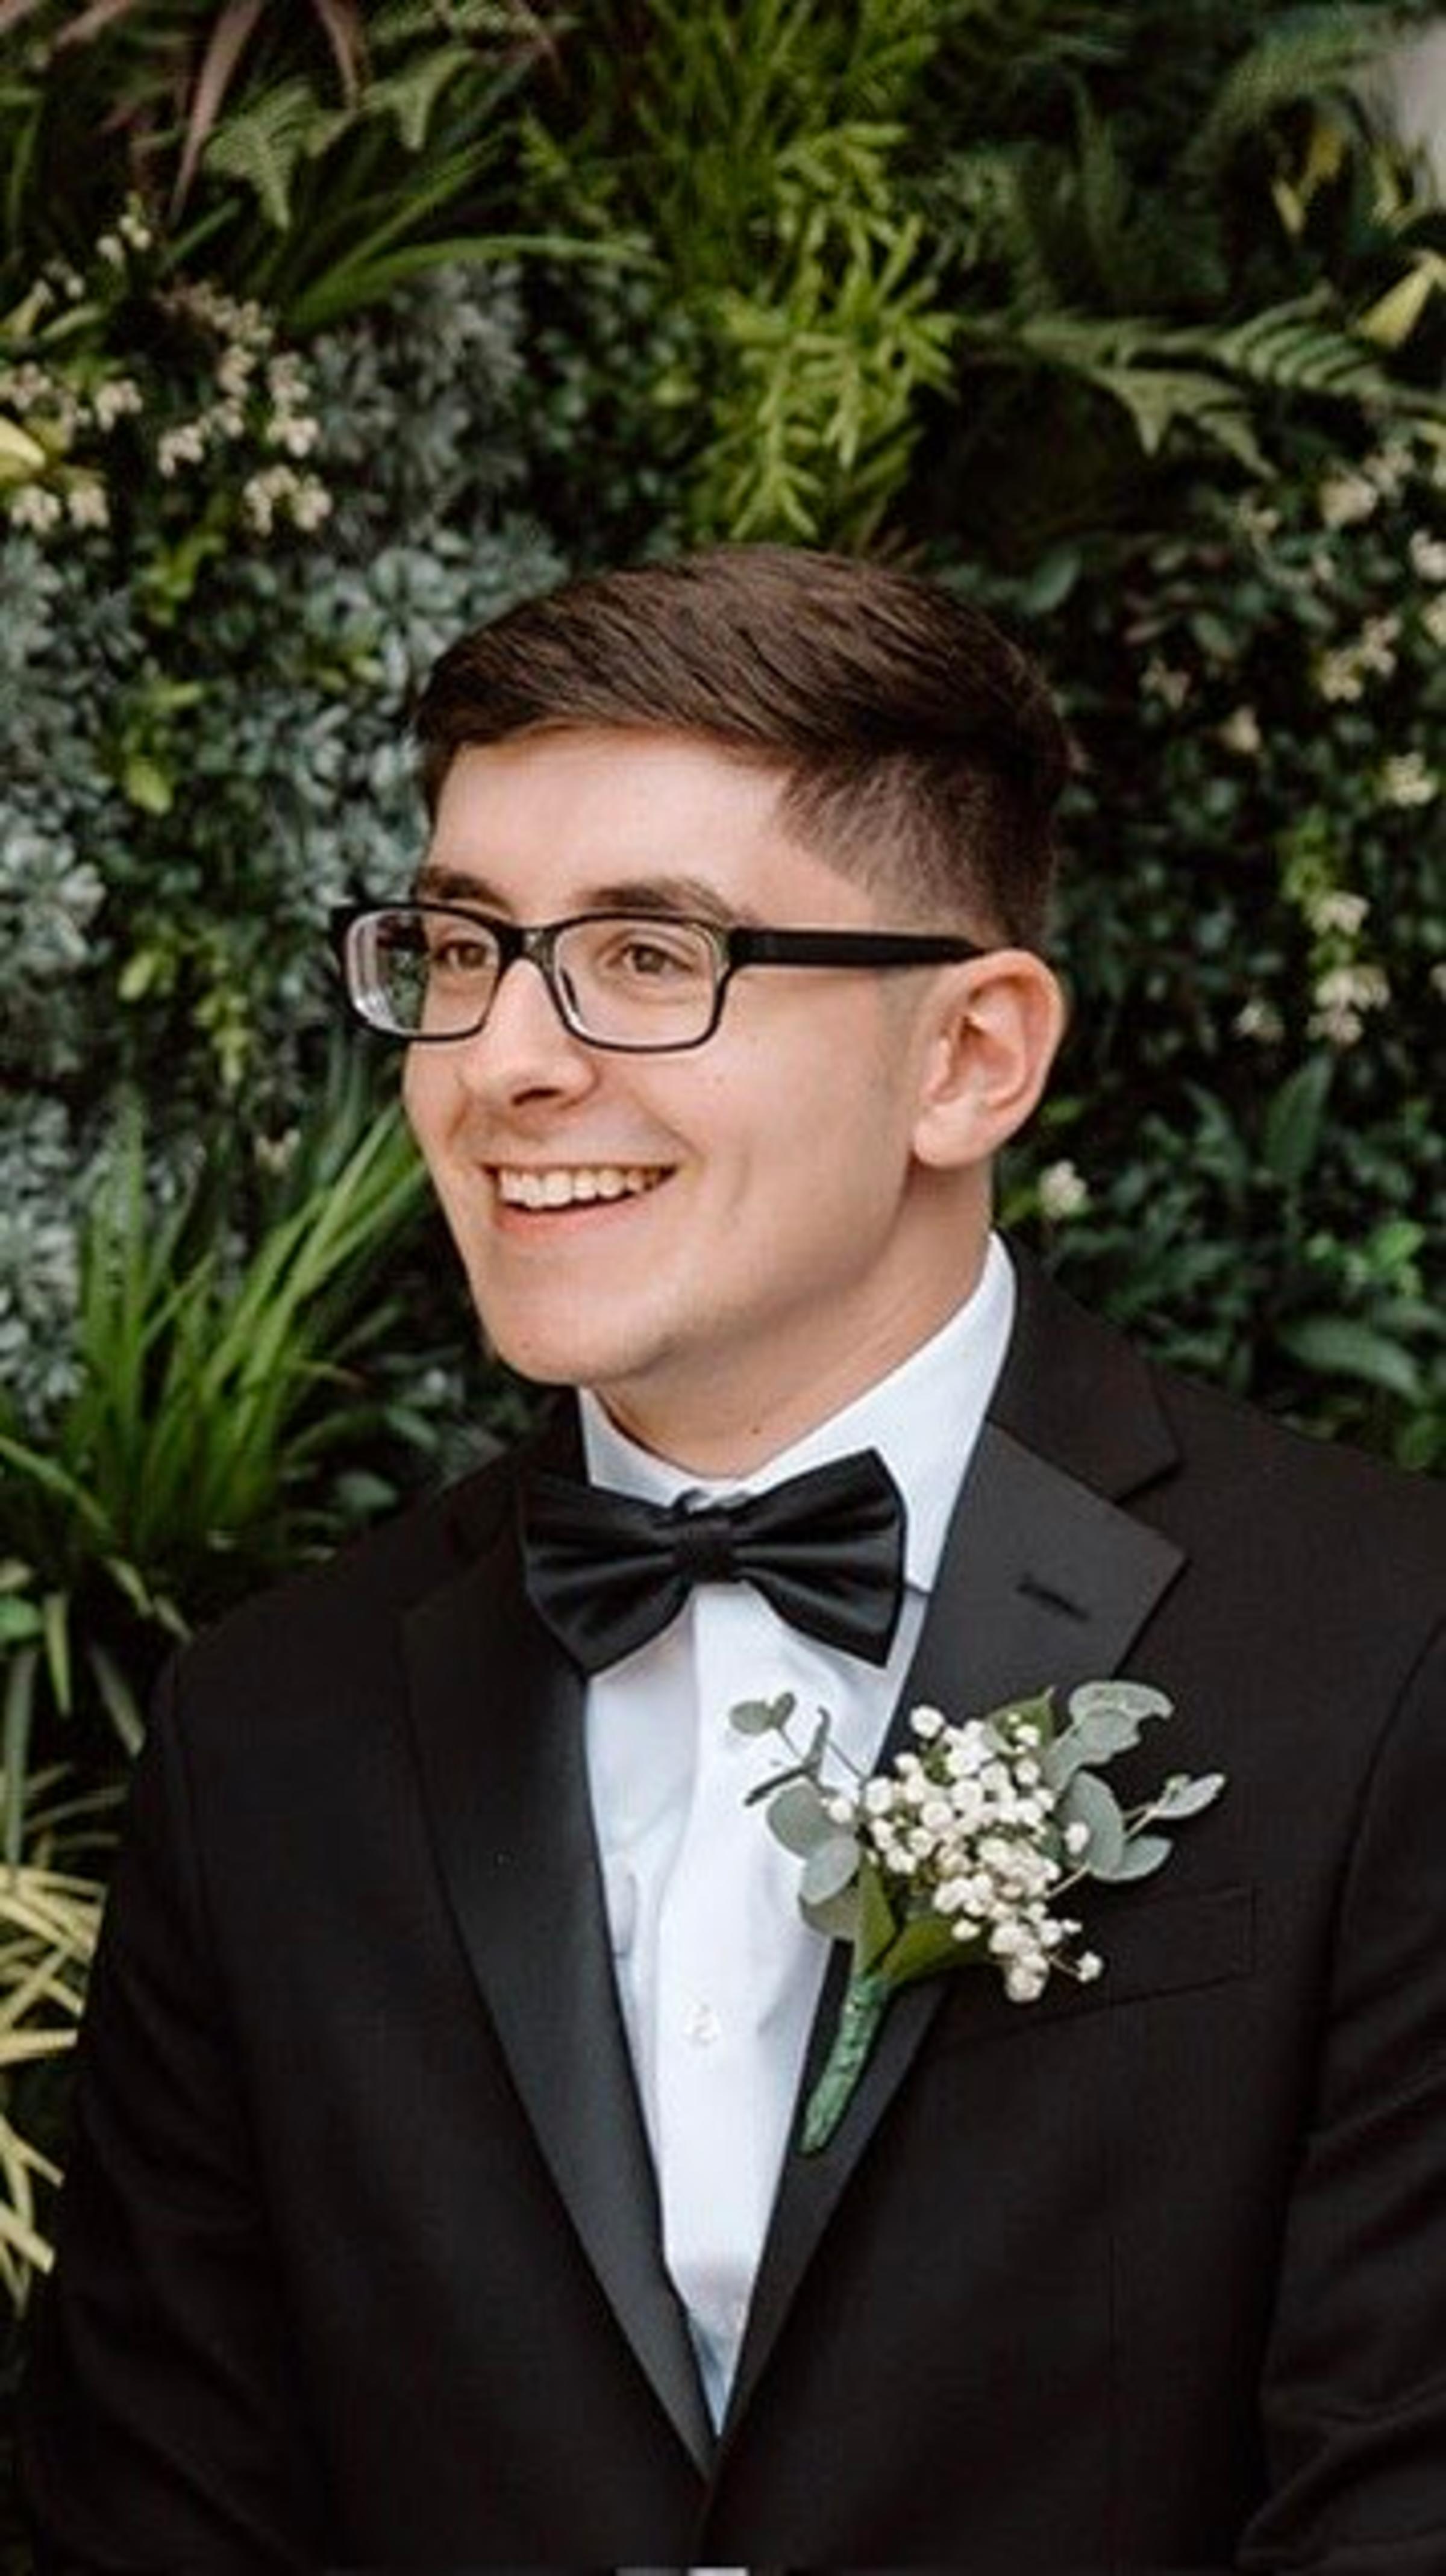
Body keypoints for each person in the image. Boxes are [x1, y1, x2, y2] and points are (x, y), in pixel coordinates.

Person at [20, 546, 1446, 2573]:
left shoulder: (1386, 1656)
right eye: (458, 947)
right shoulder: (270, 1735)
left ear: (971, 1056)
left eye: (645, 955)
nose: (504, 1061)